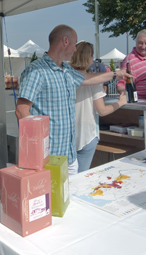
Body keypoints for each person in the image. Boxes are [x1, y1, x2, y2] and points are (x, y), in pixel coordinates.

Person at [16, 25, 130, 175]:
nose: (75, 50)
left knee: (70, 196)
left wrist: (116, 74)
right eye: (74, 44)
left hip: (69, 154)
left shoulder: (66, 70)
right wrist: (36, 149)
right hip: (49, 156)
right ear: (65, 41)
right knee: (52, 198)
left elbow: (87, 79)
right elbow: (21, 110)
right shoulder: (36, 71)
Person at [71, 42, 128, 172]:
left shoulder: (66, 77)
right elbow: (102, 110)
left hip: (68, 136)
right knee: (81, 177)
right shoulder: (95, 81)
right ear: (89, 57)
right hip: (87, 135)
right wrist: (120, 103)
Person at [116, 30, 146, 101]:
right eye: (140, 43)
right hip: (145, 105)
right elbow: (121, 85)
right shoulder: (130, 61)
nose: (143, 46)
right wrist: (127, 97)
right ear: (136, 42)